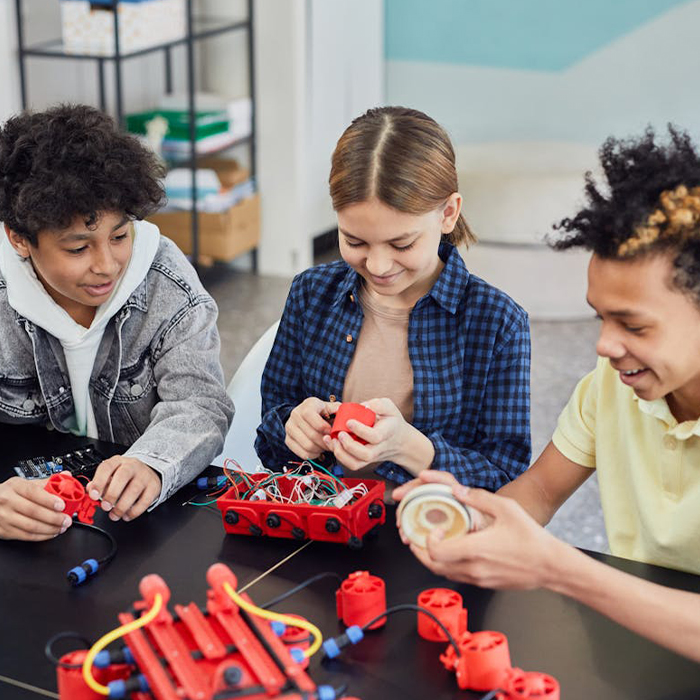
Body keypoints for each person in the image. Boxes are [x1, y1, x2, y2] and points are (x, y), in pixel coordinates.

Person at [394, 126, 700, 662]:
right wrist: (464, 512)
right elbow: (536, 494)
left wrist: (558, 568)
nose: (604, 345)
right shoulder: (610, 388)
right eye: (600, 316)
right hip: (642, 651)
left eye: (634, 325)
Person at [255, 106, 531, 489]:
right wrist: (292, 427)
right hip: (318, 519)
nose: (378, 264)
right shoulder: (310, 293)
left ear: (448, 214)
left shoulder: (497, 322)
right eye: (354, 241)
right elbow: (270, 433)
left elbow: (507, 474)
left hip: (428, 532)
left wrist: (409, 448)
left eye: (402, 243)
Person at [0, 104, 234, 541]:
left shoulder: (168, 286)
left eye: (120, 235)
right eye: (77, 249)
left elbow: (201, 404)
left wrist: (150, 462)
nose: (107, 266)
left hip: (138, 526)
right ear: (19, 239)